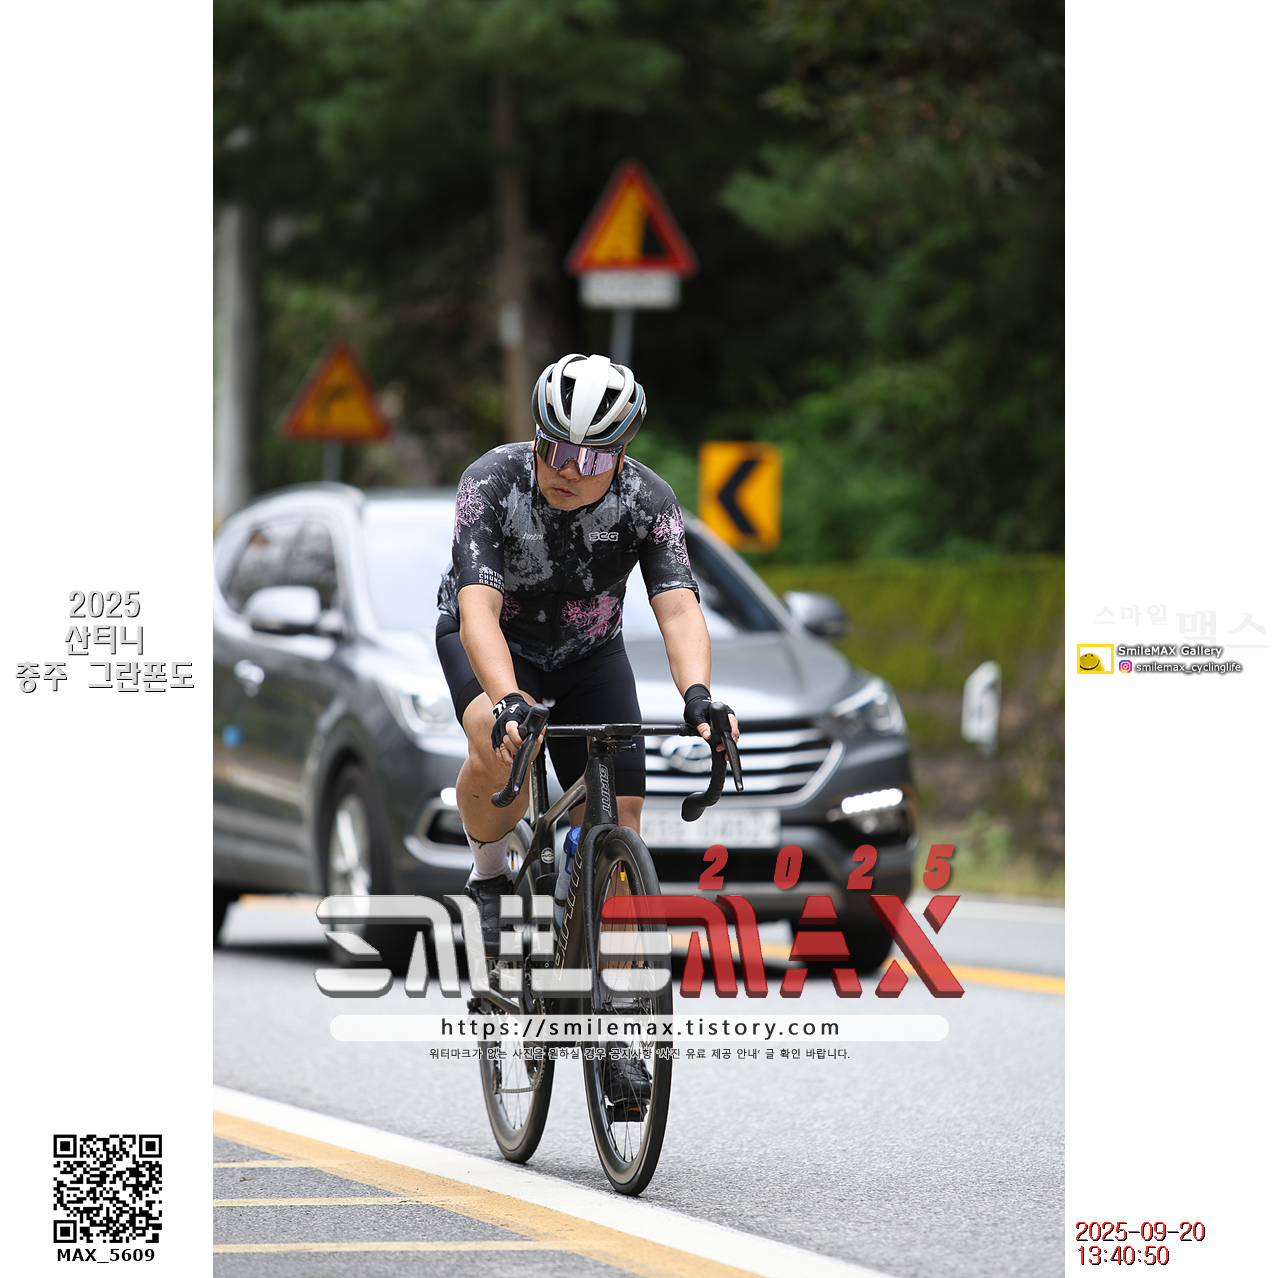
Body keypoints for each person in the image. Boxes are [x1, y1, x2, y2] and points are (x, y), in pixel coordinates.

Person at [436, 353, 739, 1098]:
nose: (569, 469)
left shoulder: (649, 501)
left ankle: (618, 1027)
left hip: (589, 654)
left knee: (621, 821)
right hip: (494, 644)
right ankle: (490, 877)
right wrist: (507, 699)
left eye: (592, 457)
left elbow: (677, 605)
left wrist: (699, 695)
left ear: (621, 456)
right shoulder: (490, 482)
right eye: (555, 447)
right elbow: (477, 608)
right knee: (498, 750)